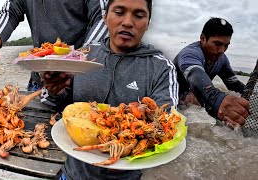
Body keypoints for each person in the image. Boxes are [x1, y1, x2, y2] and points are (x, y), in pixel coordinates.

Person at [41, 0, 178, 179]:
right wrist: (54, 91)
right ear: (105, 17)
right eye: (119, 12)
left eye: (138, 15)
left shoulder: (161, 68)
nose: (128, 22)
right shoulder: (82, 56)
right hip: (73, 173)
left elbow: (165, 132)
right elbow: (61, 108)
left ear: (148, 23)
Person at [0, 0, 108, 91]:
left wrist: (80, 58)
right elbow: (10, 11)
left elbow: (103, 16)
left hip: (79, 78)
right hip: (41, 79)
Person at [173, 17, 250, 128]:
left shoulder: (222, 59)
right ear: (203, 39)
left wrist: (252, 97)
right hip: (175, 98)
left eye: (226, 45)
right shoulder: (190, 54)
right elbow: (195, 77)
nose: (222, 50)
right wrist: (218, 101)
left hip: (200, 96)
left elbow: (234, 85)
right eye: (217, 44)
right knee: (193, 98)